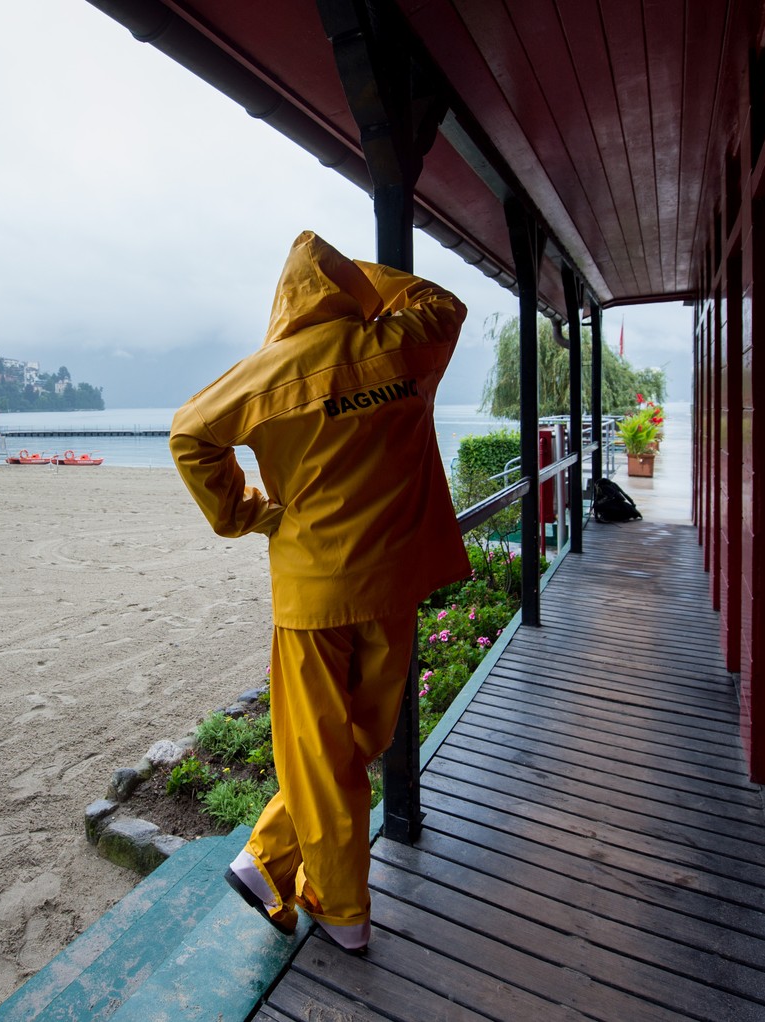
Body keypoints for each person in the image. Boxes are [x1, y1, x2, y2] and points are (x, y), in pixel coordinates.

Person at [169, 230, 469, 955]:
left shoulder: (271, 371)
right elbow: (444, 301)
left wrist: (243, 513)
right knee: (361, 734)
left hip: (313, 588)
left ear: (285, 298)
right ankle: (271, 860)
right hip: (392, 581)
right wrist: (357, 285)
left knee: (316, 749)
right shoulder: (404, 341)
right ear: (347, 291)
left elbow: (188, 435)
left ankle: (340, 909)